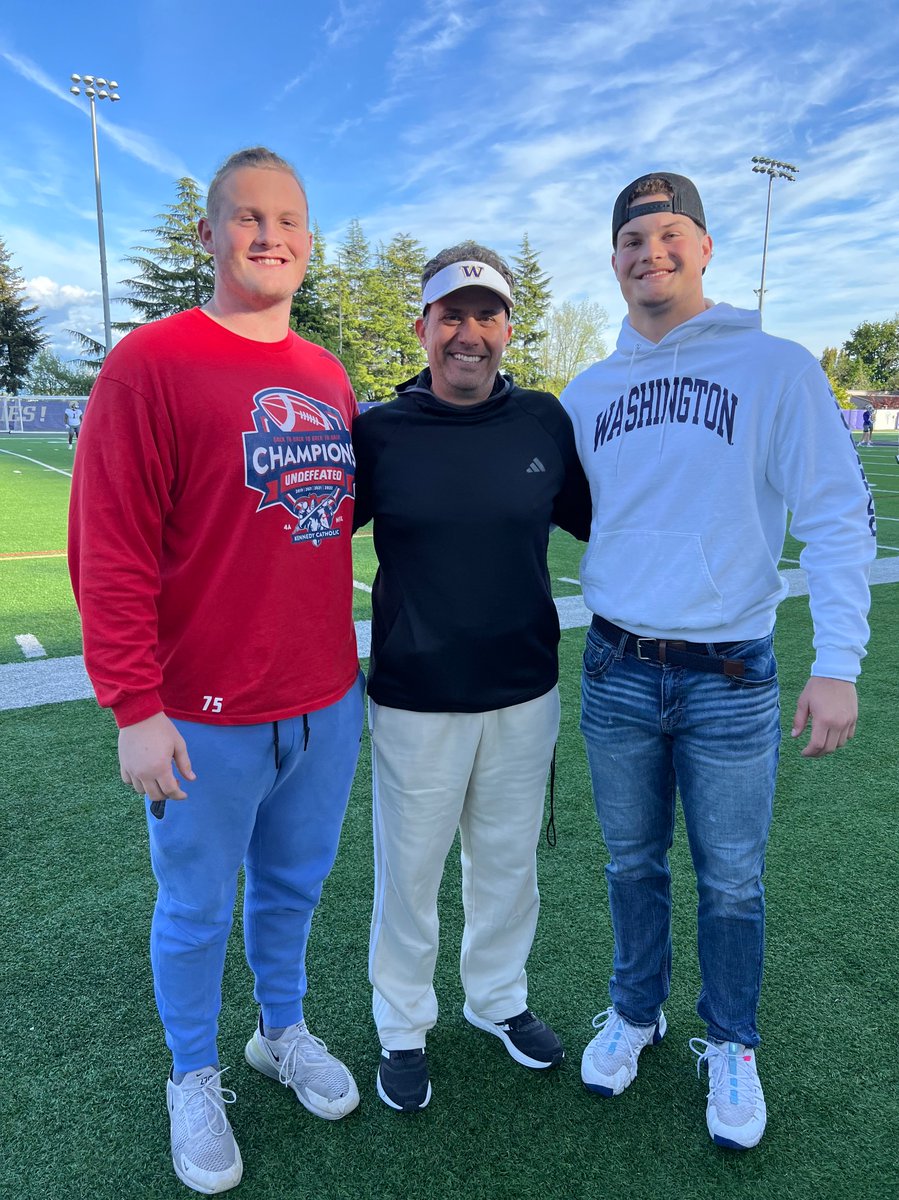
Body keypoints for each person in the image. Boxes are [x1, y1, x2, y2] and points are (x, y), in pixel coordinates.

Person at [69, 147, 364, 1194]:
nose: (270, 234)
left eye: (289, 218)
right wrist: (133, 707)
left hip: (327, 699)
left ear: (309, 241)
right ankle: (193, 1071)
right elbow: (108, 547)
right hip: (202, 717)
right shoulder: (150, 361)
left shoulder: (328, 375)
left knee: (294, 889)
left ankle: (277, 1032)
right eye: (248, 217)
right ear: (209, 235)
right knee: (196, 908)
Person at [561, 172, 876, 1150]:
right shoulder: (586, 390)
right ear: (612, 261)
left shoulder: (775, 368)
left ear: (703, 248)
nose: (649, 252)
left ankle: (731, 1042)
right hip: (615, 665)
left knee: (733, 878)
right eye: (631, 239)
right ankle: (637, 1012)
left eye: (668, 234)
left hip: (730, 674)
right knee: (630, 862)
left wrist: (839, 660)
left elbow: (834, 516)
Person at [353, 242, 591, 1112]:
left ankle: (497, 999)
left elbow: (607, 522)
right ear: (423, 327)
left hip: (524, 690)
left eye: (486, 315)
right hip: (416, 696)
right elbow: (301, 537)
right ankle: (403, 1024)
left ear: (506, 329)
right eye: (452, 315)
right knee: (409, 873)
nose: (469, 333)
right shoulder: (379, 431)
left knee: (507, 864)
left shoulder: (542, 420)